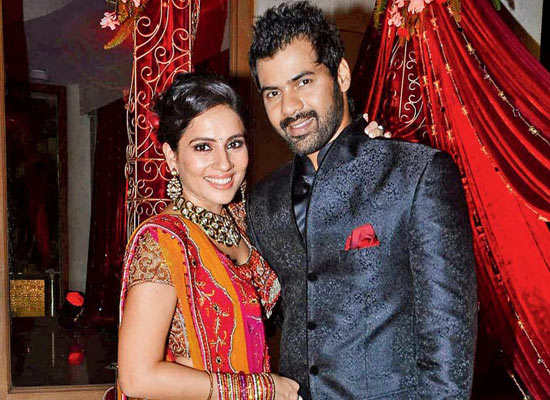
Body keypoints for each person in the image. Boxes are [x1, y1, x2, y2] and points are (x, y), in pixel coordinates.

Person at [245, 2, 478, 399]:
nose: (290, 107)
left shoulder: (416, 174)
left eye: (303, 82)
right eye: (273, 92)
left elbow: (448, 342)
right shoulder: (264, 202)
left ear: (341, 75)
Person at [117, 72, 301, 400]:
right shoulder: (162, 241)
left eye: (234, 144)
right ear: (172, 156)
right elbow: (137, 377)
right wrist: (262, 388)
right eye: (203, 147)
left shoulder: (243, 221)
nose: (224, 163)